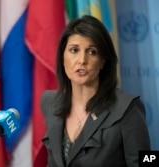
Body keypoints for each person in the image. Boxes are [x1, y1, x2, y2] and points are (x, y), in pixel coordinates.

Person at [40, 15, 151, 167]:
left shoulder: (127, 108)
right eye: (74, 50)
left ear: (103, 61)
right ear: (62, 57)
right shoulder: (49, 102)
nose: (82, 60)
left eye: (92, 52)